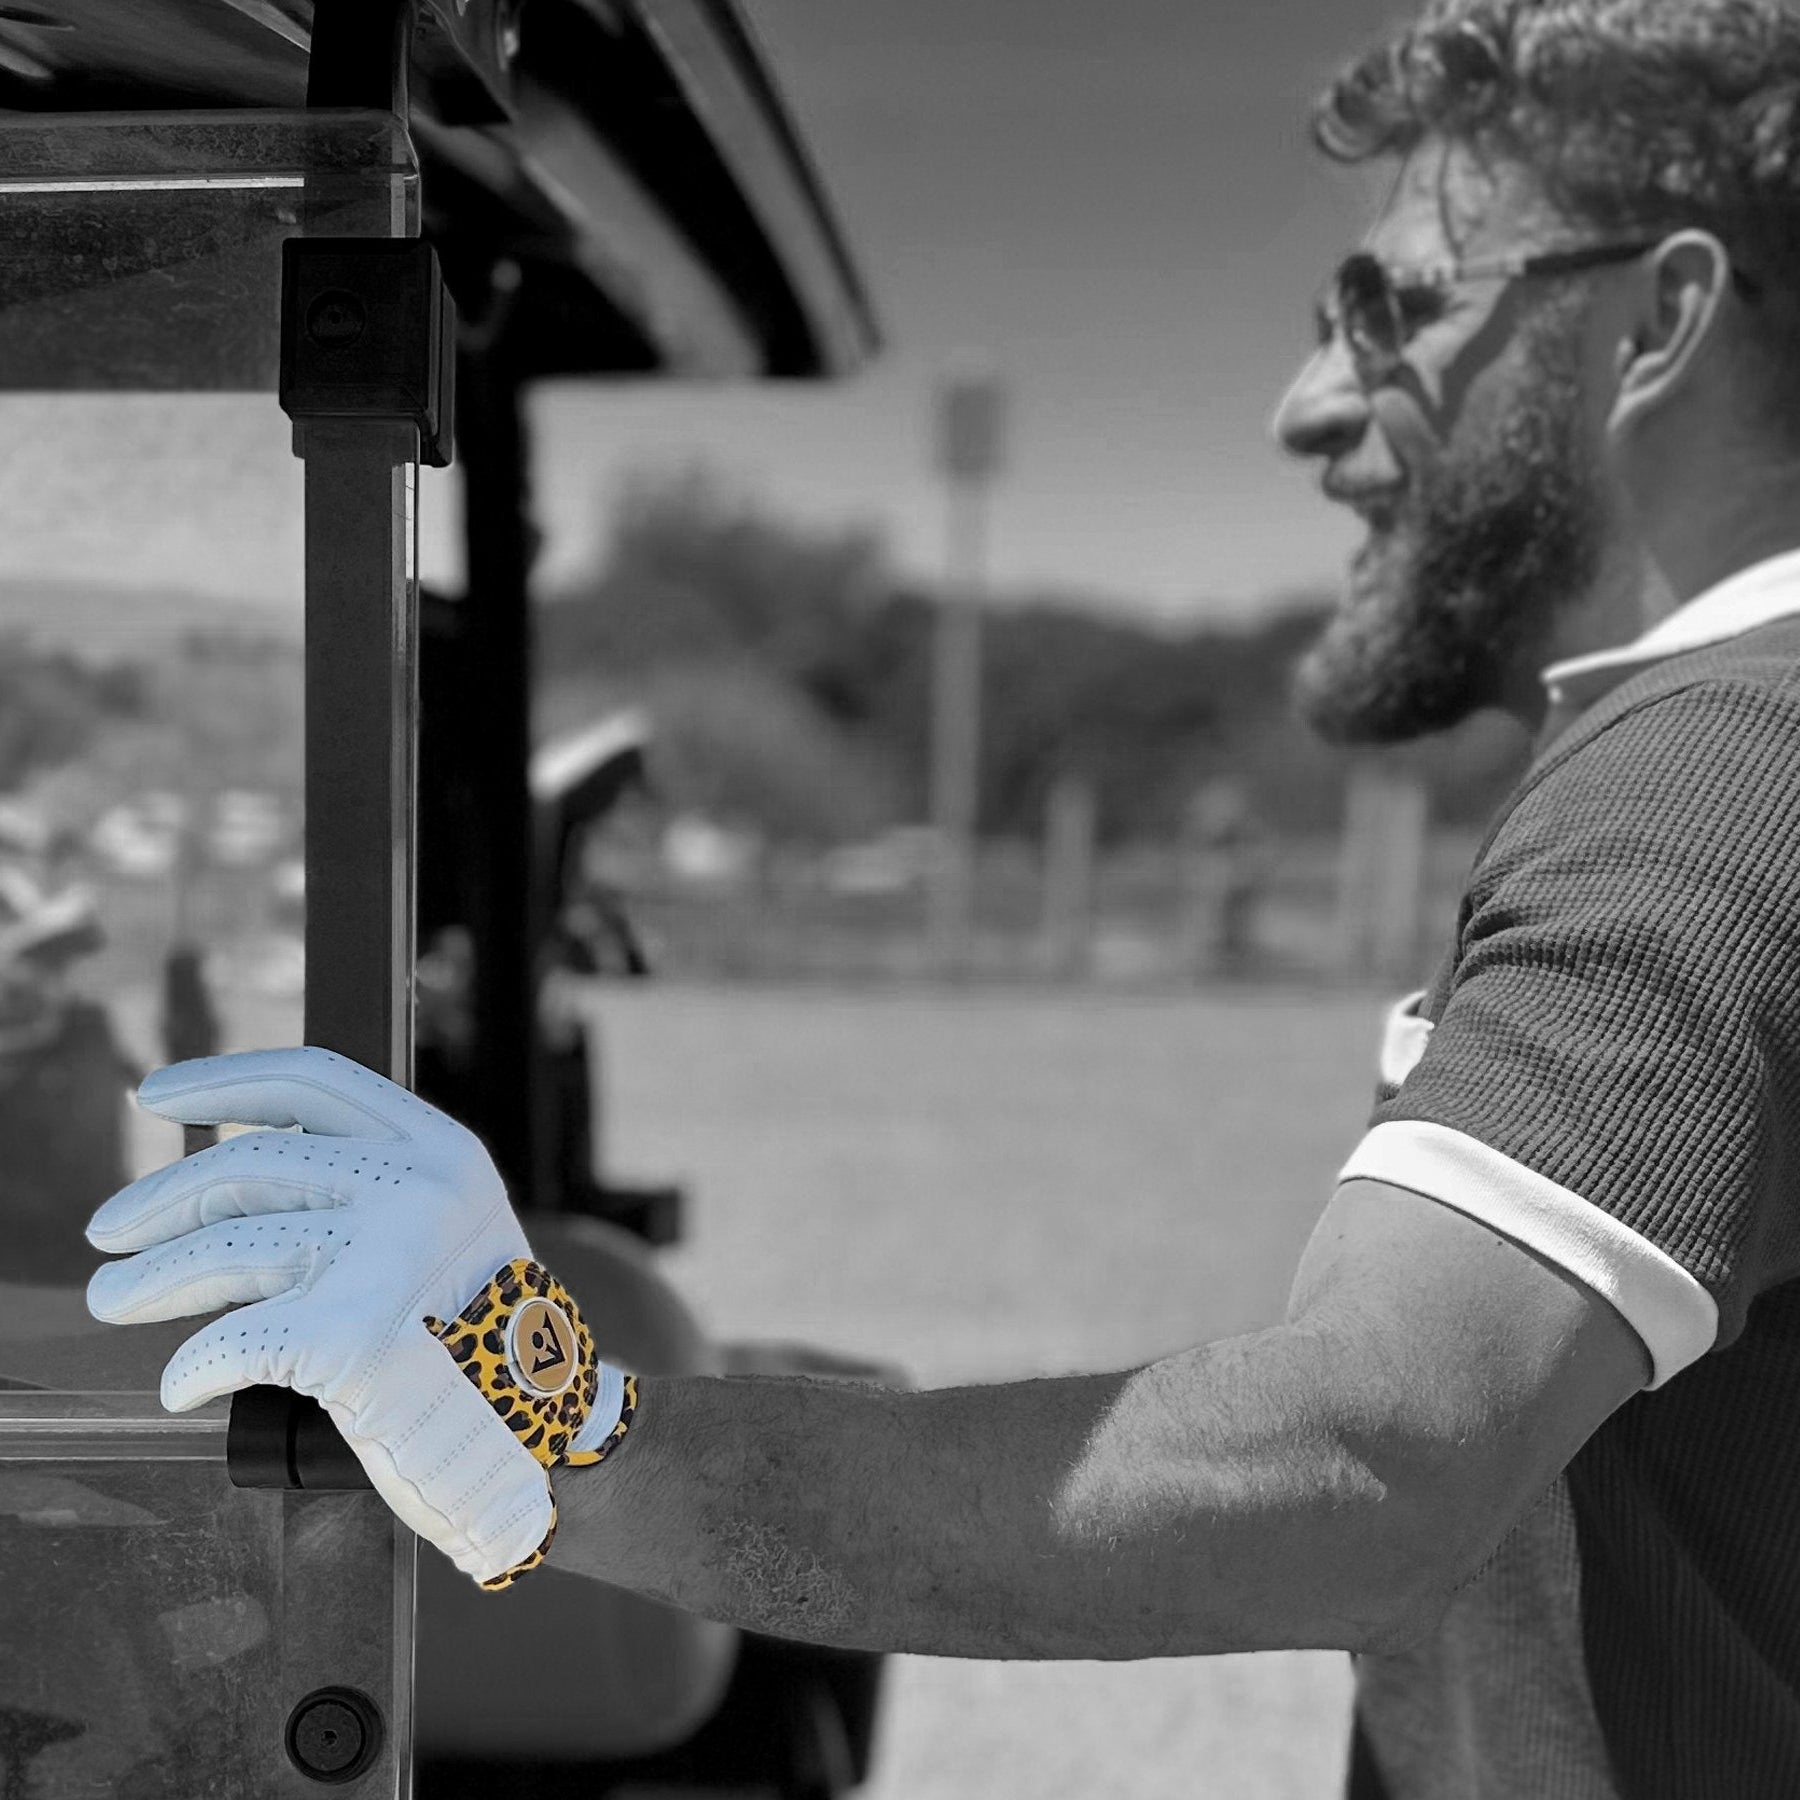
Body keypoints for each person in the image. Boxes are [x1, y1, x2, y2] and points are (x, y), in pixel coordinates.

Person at [79, 1, 1800, 1792]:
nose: (1307, 407)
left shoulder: (1711, 778)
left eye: (1393, 309)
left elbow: (1364, 1463)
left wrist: (549, 1415)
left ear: (1656, 320)